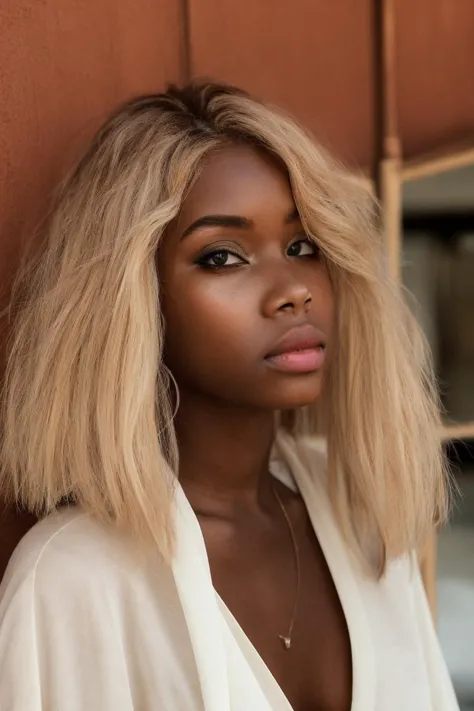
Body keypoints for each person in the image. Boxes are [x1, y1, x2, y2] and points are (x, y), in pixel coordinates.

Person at [0, 83, 458, 711]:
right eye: (222, 257)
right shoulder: (74, 580)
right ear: (134, 300)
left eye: (303, 247)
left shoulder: (364, 510)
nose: (292, 290)